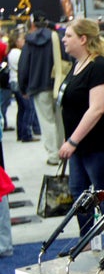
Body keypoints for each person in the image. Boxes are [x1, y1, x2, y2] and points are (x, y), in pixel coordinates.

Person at [58, 18, 104, 241]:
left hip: (100, 144)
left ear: (83, 39)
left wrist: (72, 141)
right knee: (79, 194)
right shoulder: (77, 66)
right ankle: (86, 240)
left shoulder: (99, 67)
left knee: (103, 194)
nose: (64, 40)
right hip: (80, 146)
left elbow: (97, 109)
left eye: (69, 36)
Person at [17, 12, 65, 165]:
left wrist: (23, 87)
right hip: (58, 83)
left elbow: (23, 66)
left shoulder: (29, 42)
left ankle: (53, 155)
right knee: (60, 121)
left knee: (47, 121)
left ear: (33, 24)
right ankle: (63, 151)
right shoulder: (57, 38)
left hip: (38, 85)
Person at [7, 29, 39, 143]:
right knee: (28, 109)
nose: (24, 41)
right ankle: (26, 134)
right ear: (16, 41)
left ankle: (20, 133)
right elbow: (24, 69)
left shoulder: (11, 52)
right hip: (19, 82)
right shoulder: (18, 53)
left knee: (21, 109)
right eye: (22, 39)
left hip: (13, 82)